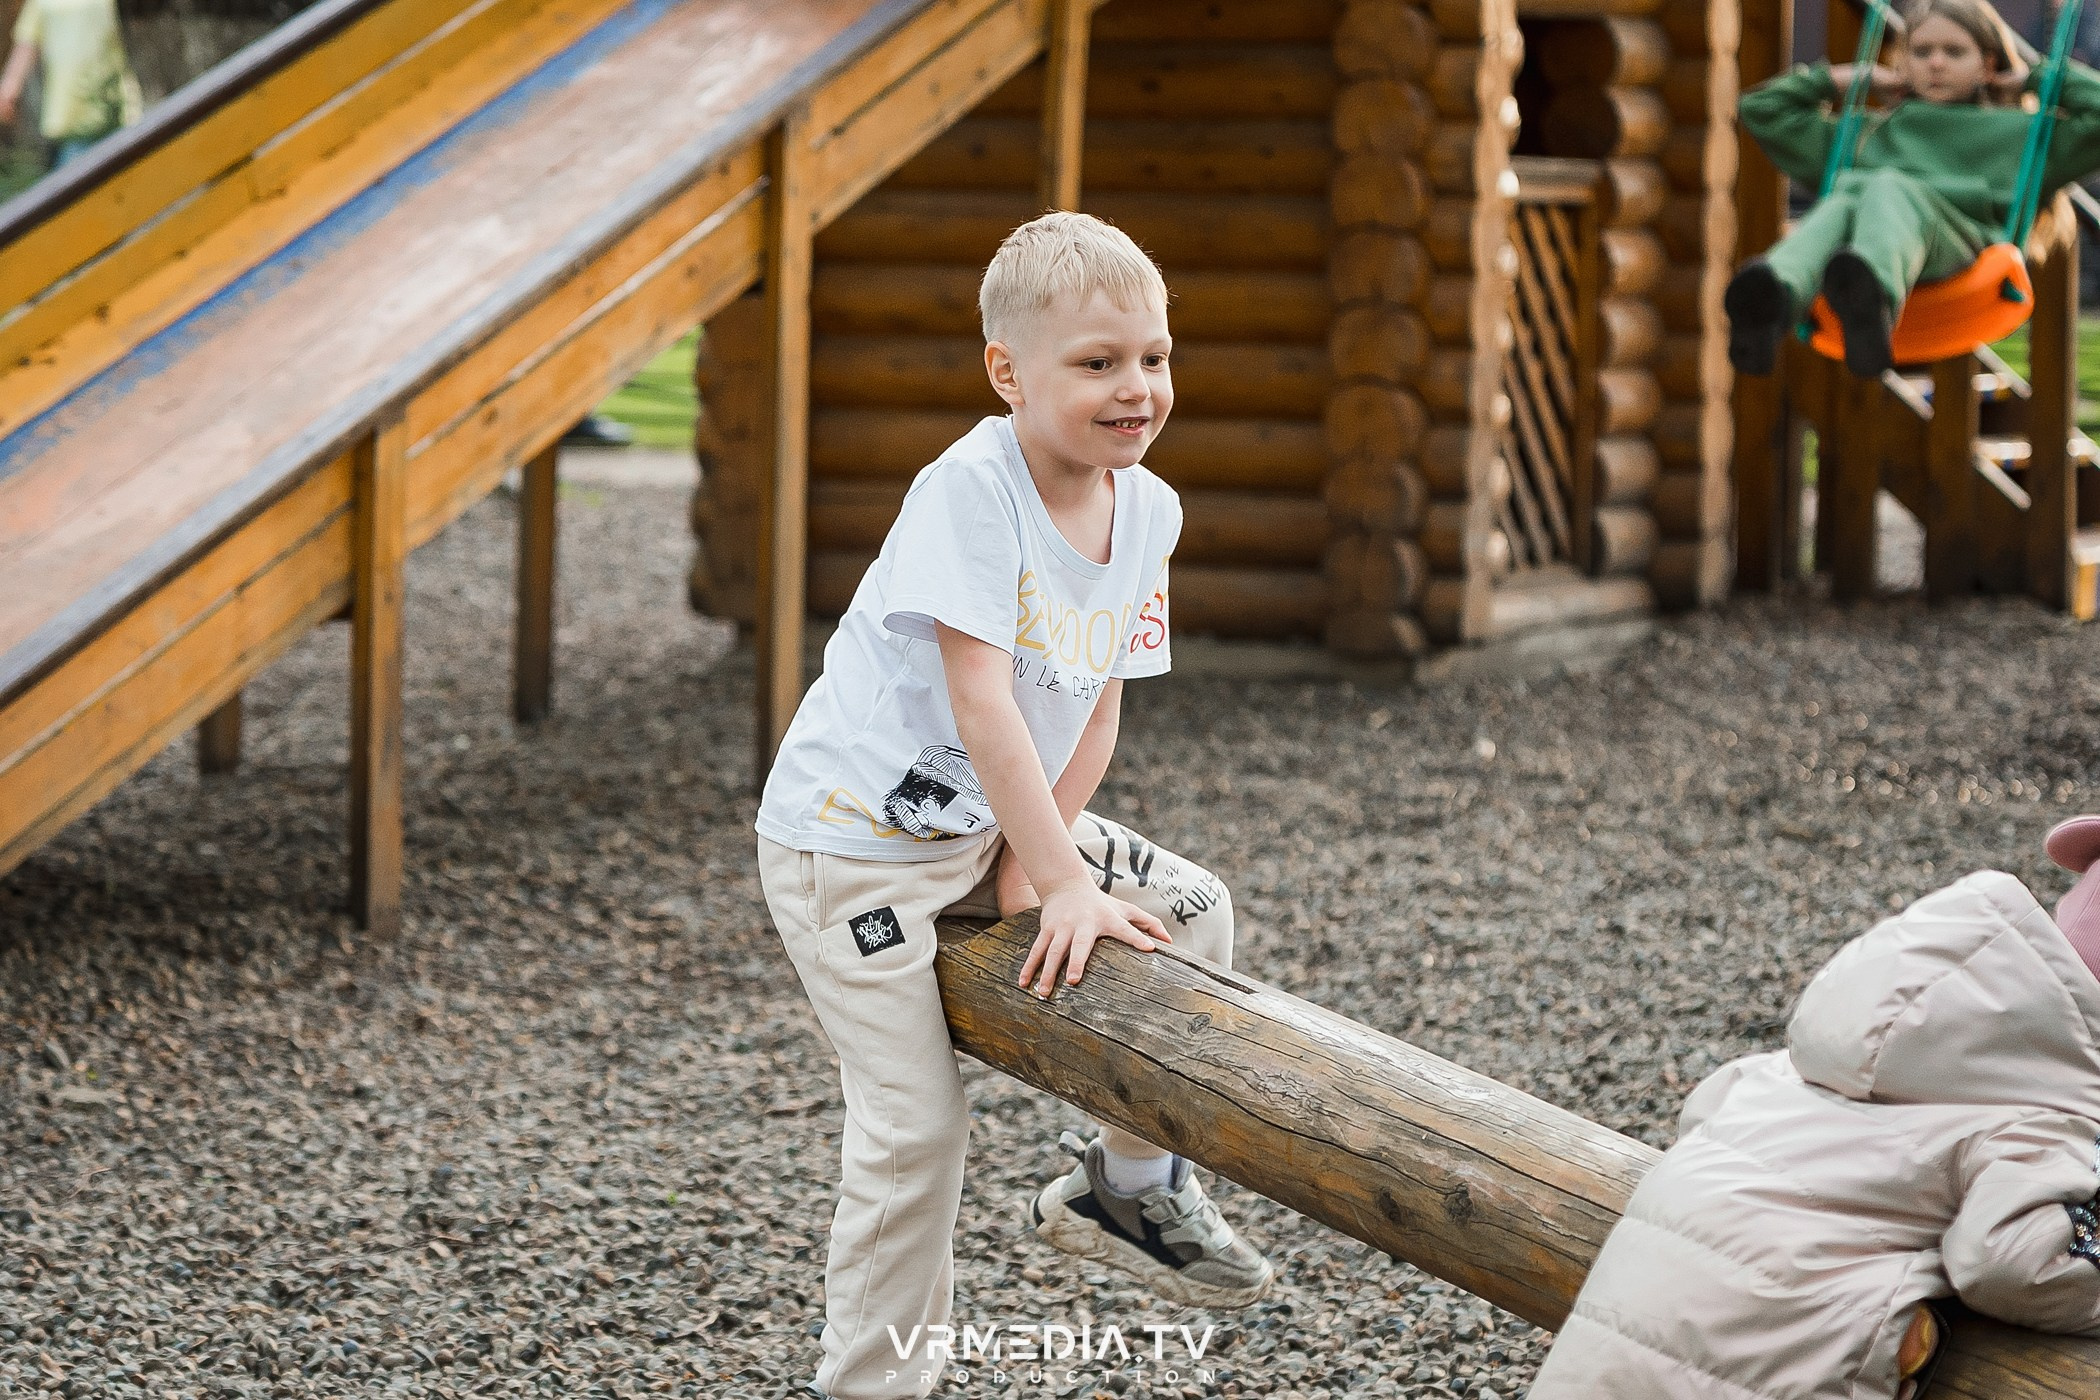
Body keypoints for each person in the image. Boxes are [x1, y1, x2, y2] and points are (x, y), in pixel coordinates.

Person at [753, 211, 1273, 1400]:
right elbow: (981, 702)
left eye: (1153, 358)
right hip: (859, 847)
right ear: (1009, 371)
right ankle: (871, 1385)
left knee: (1196, 911)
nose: (1135, 387)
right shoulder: (969, 492)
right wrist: (1060, 876)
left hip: (997, 817)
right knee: (914, 1129)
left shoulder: (1149, 508)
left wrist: (1039, 866)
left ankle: (1129, 1190)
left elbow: (1096, 705)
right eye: (1097, 362)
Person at [1528, 815, 2100, 1400]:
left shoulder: (1839, 1044)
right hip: (1777, 1369)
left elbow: (1708, 1105)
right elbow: (2011, 1263)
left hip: (1607, 1351)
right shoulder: (2049, 1109)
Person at [1727, 0, 2100, 379]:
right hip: (1867, 255)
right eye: (1921, 52)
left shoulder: (2022, 135)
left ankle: (1869, 294)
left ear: (1987, 65)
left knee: (1882, 184)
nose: (1935, 62)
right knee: (1843, 204)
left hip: (1958, 248)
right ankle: (1774, 298)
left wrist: (2040, 79)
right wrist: (1852, 78)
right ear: (1903, 63)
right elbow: (1762, 110)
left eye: (1954, 52)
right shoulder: (1868, 131)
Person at [0, 0, 142, 171]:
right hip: (72, 121)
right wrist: (9, 89)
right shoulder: (42, 3)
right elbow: (27, 43)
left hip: (120, 113)